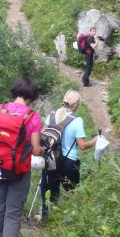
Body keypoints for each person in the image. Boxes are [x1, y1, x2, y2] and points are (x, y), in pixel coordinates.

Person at [0, 77, 44, 237]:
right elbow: (35, 150)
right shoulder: (32, 117)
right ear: (29, 97)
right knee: (12, 214)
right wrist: (43, 150)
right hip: (19, 172)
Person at [40, 90, 97, 218]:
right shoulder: (77, 121)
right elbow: (82, 146)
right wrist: (95, 140)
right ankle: (76, 220)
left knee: (49, 195)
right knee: (74, 194)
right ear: (76, 105)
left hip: (51, 161)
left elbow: (42, 135)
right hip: (68, 164)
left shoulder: (52, 115)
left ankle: (47, 220)